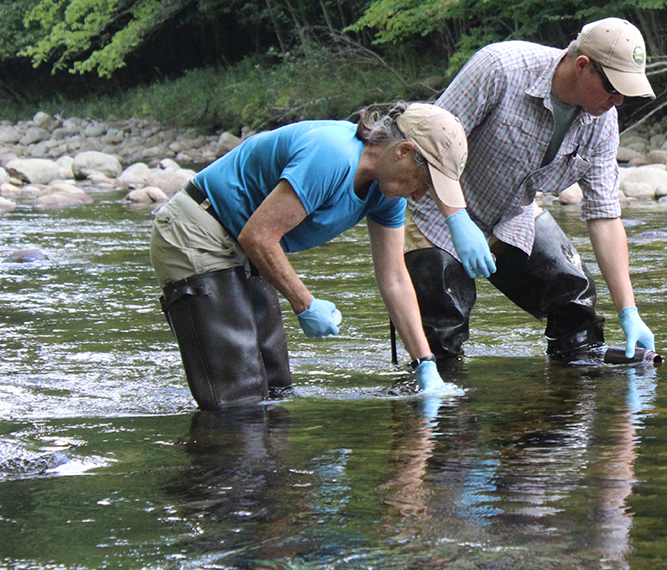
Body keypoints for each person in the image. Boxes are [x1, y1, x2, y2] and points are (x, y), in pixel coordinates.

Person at [148, 101, 493, 411]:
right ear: (403, 151)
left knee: (275, 388)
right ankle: (221, 478)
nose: (420, 195)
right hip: (199, 230)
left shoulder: (388, 195)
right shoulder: (331, 154)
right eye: (423, 182)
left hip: (246, 247)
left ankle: (283, 481)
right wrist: (305, 303)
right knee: (238, 399)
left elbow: (395, 277)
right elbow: (258, 235)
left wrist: (425, 365)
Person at [404, 16, 658, 362]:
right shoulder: (499, 69)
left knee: (573, 295)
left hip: (512, 214)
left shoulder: (602, 122)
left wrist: (628, 309)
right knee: (442, 332)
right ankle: (440, 404)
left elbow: (604, 216)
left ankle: (571, 399)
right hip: (437, 213)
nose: (618, 102)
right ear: (582, 66)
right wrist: (457, 218)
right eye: (614, 88)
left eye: (626, 93)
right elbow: (427, 145)